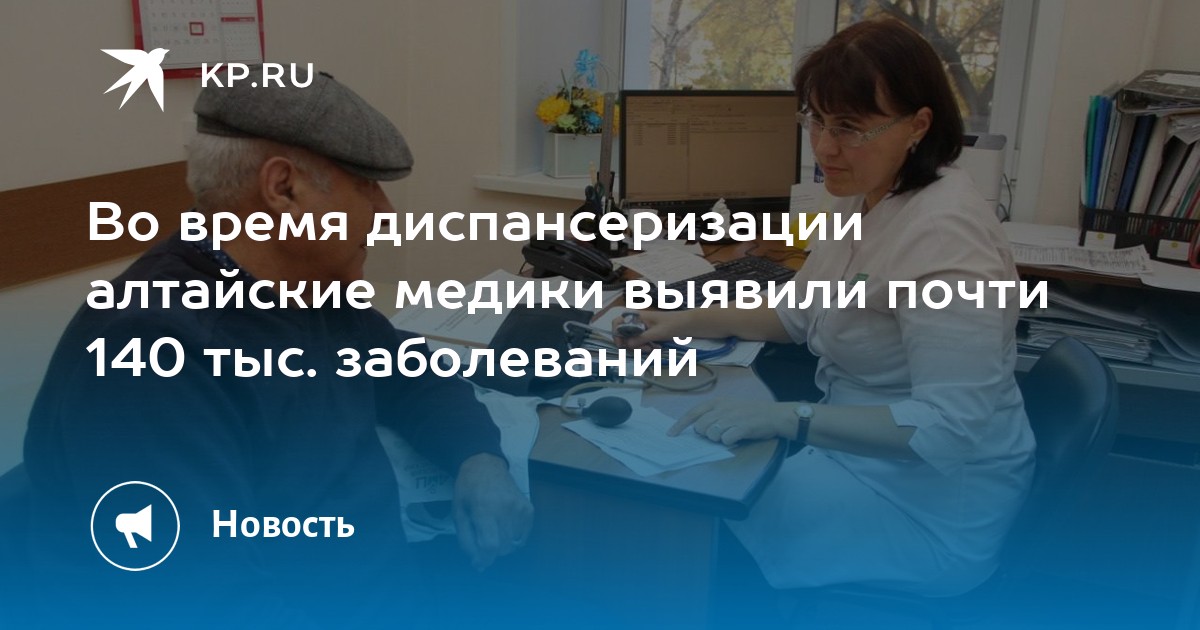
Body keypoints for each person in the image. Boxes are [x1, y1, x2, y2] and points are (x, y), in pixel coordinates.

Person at [24, 66, 533, 624]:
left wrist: (477, 456)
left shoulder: (305, 289)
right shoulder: (153, 354)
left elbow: (410, 375)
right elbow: (205, 603)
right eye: (365, 186)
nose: (385, 213)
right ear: (284, 188)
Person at [618, 18, 1035, 597]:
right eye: (816, 119)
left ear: (918, 125)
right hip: (851, 454)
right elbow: (798, 313)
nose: (824, 146)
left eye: (850, 127)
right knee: (682, 487)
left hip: (923, 505)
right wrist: (686, 319)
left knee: (688, 508)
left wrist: (787, 418)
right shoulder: (864, 194)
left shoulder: (948, 237)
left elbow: (947, 429)